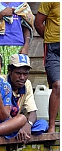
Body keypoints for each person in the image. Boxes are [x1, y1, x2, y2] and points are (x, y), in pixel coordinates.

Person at [4, 54, 48, 143]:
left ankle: (21, 133)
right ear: (10, 71)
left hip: (19, 124)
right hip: (4, 123)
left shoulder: (27, 84)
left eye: (25, 74)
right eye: (18, 73)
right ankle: (18, 132)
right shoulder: (2, 82)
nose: (22, 77)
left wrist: (28, 125)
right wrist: (16, 126)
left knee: (43, 124)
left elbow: (32, 112)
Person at [0, 2, 34, 74]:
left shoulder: (22, 5)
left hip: (17, 46)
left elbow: (26, 27)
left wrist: (26, 46)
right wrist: (2, 14)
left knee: (15, 75)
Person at [34, 2, 60, 133]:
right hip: (53, 48)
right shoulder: (49, 2)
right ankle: (51, 127)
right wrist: (50, 37)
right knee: (57, 85)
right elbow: (38, 23)